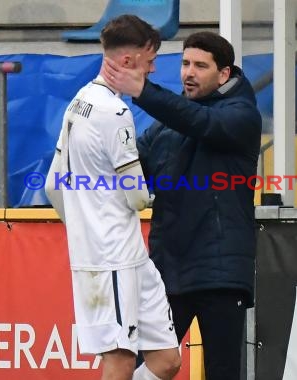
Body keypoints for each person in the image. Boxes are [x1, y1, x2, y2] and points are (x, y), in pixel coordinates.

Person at [103, 31, 262, 380]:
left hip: (220, 273)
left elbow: (200, 122)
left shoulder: (242, 115)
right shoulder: (168, 121)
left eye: (200, 66)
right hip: (169, 269)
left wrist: (143, 91)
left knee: (223, 373)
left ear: (224, 74)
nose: (189, 72)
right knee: (153, 366)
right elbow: (131, 163)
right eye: (185, 63)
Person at [45, 14, 181, 380]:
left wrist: (82, 224)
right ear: (127, 61)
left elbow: (52, 186)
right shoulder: (115, 111)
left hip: (129, 256)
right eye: (150, 61)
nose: (152, 70)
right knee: (120, 360)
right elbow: (137, 197)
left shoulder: (79, 102)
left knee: (167, 360)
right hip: (111, 259)